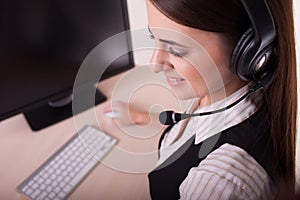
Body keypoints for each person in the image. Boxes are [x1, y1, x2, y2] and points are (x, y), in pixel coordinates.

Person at [99, 0, 297, 199]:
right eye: (154, 38)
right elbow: (198, 129)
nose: (155, 64)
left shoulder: (217, 183)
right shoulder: (223, 94)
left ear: (249, 52)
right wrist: (145, 117)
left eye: (177, 51)